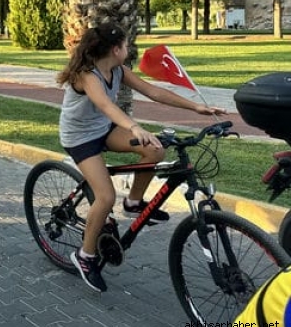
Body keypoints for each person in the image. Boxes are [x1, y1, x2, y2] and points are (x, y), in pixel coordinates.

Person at [57, 23, 226, 293]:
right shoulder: (86, 75)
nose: (129, 49)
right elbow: (105, 105)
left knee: (155, 150)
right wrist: (134, 127)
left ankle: (134, 202)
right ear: (116, 49)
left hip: (104, 130)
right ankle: (85, 256)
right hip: (80, 138)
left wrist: (196, 107)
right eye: (126, 45)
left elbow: (154, 92)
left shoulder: (119, 70)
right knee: (105, 197)